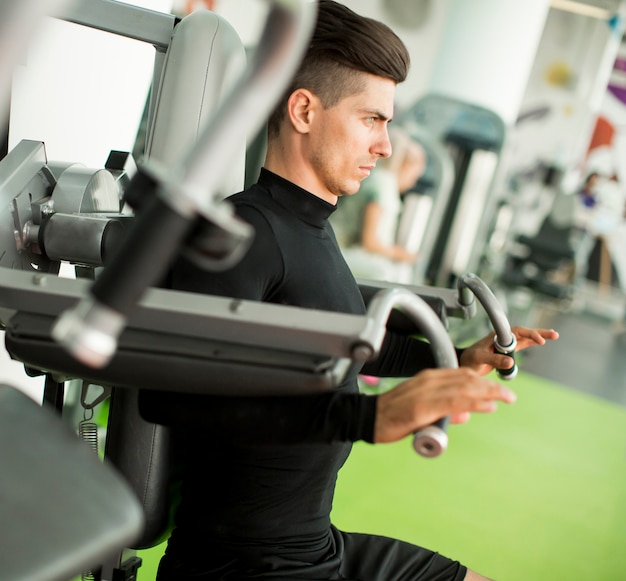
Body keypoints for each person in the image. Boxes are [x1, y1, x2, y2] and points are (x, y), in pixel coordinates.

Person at [139, 2, 559, 580]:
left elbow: (341, 342)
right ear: (305, 110)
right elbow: (174, 398)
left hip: (314, 545)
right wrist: (365, 417)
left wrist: (455, 357)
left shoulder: (312, 230)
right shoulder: (246, 236)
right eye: (372, 120)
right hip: (243, 566)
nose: (386, 146)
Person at [330, 127, 425, 283]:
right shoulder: (384, 186)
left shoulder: (378, 179)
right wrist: (404, 255)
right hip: (338, 250)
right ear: (406, 166)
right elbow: (370, 242)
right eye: (414, 176)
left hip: (339, 246)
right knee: (385, 274)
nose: (412, 183)